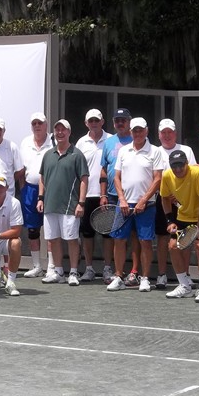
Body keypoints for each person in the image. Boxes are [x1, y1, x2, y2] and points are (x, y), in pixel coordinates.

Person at [106, 117, 162, 293]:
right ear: (130, 132)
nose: (137, 133)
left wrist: (143, 200)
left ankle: (144, 278)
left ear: (146, 131)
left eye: (140, 130)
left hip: (147, 205)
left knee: (145, 241)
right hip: (123, 204)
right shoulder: (124, 151)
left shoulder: (155, 151)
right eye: (135, 130)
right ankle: (118, 277)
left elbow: (158, 179)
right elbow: (116, 177)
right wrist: (122, 199)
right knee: (119, 240)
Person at [36, 119, 88, 285]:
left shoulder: (77, 154)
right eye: (57, 130)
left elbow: (84, 180)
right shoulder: (48, 155)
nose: (60, 133)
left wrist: (81, 203)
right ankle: (58, 272)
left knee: (72, 239)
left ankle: (73, 272)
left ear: (69, 132)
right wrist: (41, 198)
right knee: (53, 239)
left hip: (70, 206)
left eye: (63, 130)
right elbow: (42, 178)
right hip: (50, 205)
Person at [161, 150, 199, 302]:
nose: (178, 169)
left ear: (186, 163)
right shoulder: (167, 176)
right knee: (173, 246)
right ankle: (184, 286)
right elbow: (165, 198)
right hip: (184, 215)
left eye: (181, 165)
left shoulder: (197, 173)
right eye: (174, 166)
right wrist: (170, 221)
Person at [154, 119, 196, 289]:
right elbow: (155, 177)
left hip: (184, 202)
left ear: (175, 133)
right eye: (163, 132)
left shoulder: (186, 150)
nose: (167, 135)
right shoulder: (155, 151)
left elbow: (192, 174)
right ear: (159, 135)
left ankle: (186, 275)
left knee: (185, 238)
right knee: (163, 238)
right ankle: (161, 275)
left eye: (170, 132)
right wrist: (167, 195)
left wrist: (179, 195)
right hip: (162, 200)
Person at [74, 108, 111, 281]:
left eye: (97, 120)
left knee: (107, 234)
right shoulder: (81, 143)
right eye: (91, 121)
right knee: (87, 234)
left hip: (107, 194)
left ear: (102, 122)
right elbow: (77, 170)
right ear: (86, 123)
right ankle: (89, 269)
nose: (94, 123)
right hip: (86, 195)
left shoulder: (111, 140)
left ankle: (107, 268)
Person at [99, 108, 135, 283]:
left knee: (134, 236)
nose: (120, 123)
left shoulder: (137, 139)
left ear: (129, 122)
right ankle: (113, 270)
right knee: (114, 236)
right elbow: (104, 170)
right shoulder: (109, 142)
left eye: (123, 120)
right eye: (117, 120)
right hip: (113, 196)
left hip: (134, 197)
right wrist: (103, 194)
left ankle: (134, 272)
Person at [18, 112, 53, 277]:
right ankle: (37, 266)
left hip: (51, 190)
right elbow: (21, 168)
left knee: (51, 229)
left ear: (46, 125)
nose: (37, 126)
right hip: (29, 190)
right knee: (32, 230)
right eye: (34, 124)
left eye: (40, 123)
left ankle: (52, 267)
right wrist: (23, 187)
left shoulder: (53, 141)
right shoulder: (25, 142)